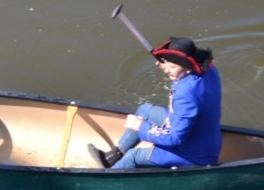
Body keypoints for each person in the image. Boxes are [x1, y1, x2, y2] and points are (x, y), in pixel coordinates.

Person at [87, 37, 222, 169]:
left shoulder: (185, 95)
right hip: (204, 137)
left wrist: (141, 126)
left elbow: (175, 138)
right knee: (145, 110)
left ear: (188, 68)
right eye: (166, 64)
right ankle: (114, 157)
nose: (166, 69)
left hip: (192, 153)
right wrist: (169, 64)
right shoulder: (207, 69)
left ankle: (107, 183)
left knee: (133, 156)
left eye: (172, 67)